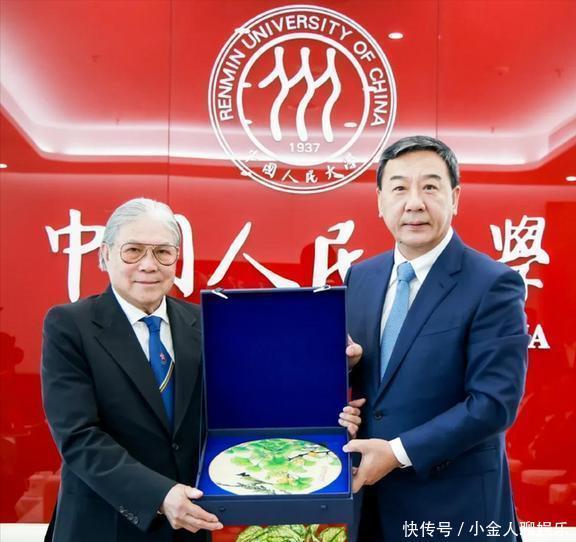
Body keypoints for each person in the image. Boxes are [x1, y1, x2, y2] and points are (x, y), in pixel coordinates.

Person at [42, 197, 363, 541]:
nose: (149, 265)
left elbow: (248, 402)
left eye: (163, 252)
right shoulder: (70, 326)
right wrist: (160, 496)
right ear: (105, 255)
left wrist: (328, 403)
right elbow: (78, 437)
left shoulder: (202, 321)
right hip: (106, 524)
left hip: (191, 524)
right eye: (133, 251)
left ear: (176, 258)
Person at [343, 136, 529, 541]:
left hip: (453, 509)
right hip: (367, 507)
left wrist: (396, 453)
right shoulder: (361, 277)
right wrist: (344, 374)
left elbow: (495, 403)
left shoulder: (493, 284)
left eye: (430, 186)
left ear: (455, 197)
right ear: (379, 201)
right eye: (399, 188)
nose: (414, 203)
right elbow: (371, 386)